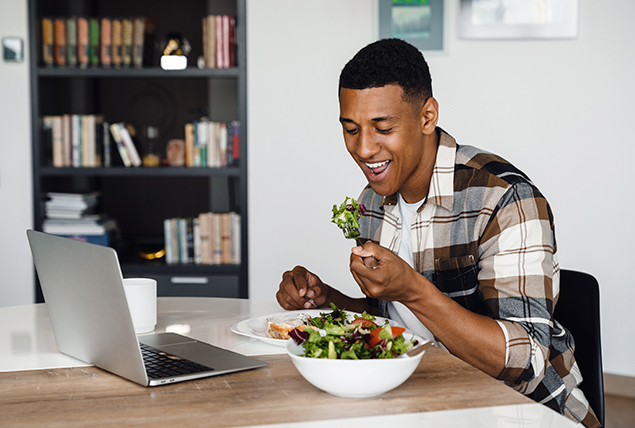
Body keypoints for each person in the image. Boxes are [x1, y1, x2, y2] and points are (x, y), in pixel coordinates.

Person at [276, 39, 600, 428]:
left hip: (524, 413)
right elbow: (396, 323)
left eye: (383, 128)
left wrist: (411, 287)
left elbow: (525, 362)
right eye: (350, 129)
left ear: (427, 117)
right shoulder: (372, 204)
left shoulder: (505, 198)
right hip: (427, 403)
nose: (363, 148)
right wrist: (327, 300)